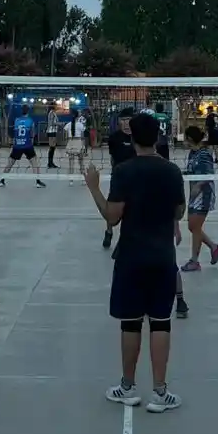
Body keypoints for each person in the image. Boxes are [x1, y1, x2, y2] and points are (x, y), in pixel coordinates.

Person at [84, 113, 184, 413]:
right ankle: (160, 392)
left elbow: (111, 217)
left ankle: (127, 387)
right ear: (158, 137)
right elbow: (179, 213)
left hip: (131, 257)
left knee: (130, 323)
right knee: (160, 322)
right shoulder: (172, 171)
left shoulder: (124, 171)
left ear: (131, 138)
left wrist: (93, 187)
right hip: (163, 257)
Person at [180, 125, 218, 272]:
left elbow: (207, 174)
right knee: (192, 226)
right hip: (194, 194)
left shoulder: (204, 154)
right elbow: (192, 170)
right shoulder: (193, 153)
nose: (183, 141)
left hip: (204, 194)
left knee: (195, 226)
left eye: (185, 138)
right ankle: (214, 247)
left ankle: (194, 261)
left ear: (190, 139)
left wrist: (198, 186)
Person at [103, 107, 136, 249]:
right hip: (118, 177)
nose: (127, 123)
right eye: (123, 120)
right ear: (119, 122)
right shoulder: (114, 138)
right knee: (112, 208)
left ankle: (124, 240)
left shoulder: (138, 137)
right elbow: (113, 158)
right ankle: (109, 231)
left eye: (129, 120)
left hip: (135, 178)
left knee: (131, 210)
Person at [0, 104, 46, 188]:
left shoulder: (17, 120)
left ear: (22, 111)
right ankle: (38, 182)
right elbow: (32, 134)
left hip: (17, 145)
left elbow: (14, 132)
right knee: (34, 163)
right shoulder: (30, 121)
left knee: (10, 163)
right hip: (27, 145)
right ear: (28, 111)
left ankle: (2, 180)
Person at [63, 108, 87, 185]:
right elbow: (83, 137)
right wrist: (84, 147)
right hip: (79, 142)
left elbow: (65, 136)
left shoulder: (68, 125)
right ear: (78, 116)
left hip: (70, 143)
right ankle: (83, 179)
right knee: (81, 162)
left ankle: (71, 180)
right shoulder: (81, 125)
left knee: (71, 163)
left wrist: (67, 144)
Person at [46, 102, 60, 169]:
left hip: (53, 131)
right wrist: (59, 124)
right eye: (56, 105)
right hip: (51, 131)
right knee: (52, 147)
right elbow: (52, 123)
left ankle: (50, 163)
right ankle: (50, 163)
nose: (57, 106)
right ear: (53, 106)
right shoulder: (51, 113)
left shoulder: (53, 112)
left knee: (53, 147)